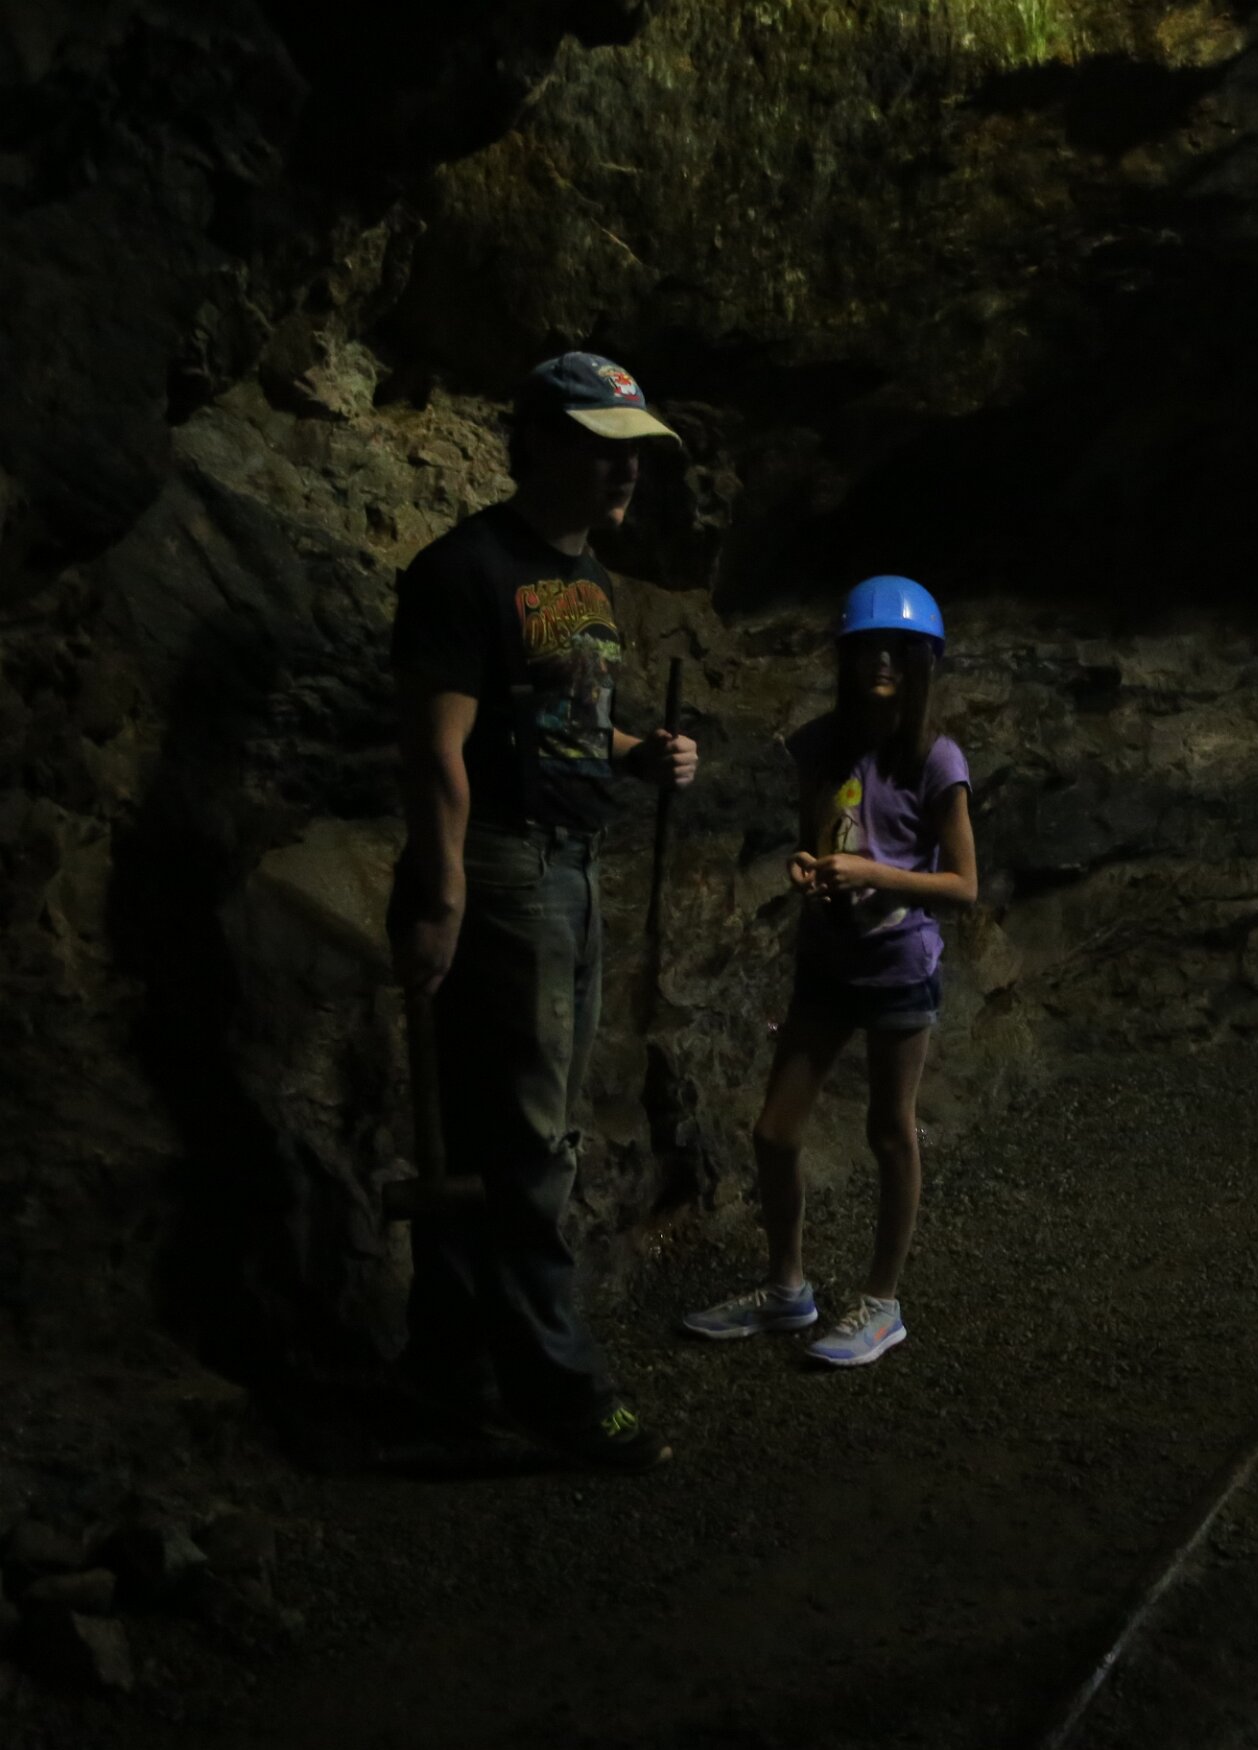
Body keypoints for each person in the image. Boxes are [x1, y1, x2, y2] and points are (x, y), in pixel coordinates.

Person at [387, 351, 699, 1472]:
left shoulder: (588, 582)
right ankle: (559, 1393)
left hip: (574, 865)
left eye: (634, 452)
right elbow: (439, 749)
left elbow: (563, 722)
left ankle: (450, 1375)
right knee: (527, 1145)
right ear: (538, 443)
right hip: (506, 867)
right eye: (602, 447)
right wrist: (443, 892)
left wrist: (638, 752)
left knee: (513, 1132)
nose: (625, 471)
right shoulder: (462, 570)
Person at [680, 574, 976, 1368]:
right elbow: (815, 836)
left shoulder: (935, 759)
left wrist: (873, 874)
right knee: (775, 1131)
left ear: (921, 662)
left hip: (898, 966)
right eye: (866, 648)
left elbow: (963, 884)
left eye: (897, 649)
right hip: (827, 960)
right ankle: (787, 1288)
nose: (881, 660)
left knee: (889, 1130)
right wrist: (806, 866)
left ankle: (882, 1303)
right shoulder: (816, 745)